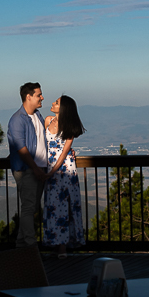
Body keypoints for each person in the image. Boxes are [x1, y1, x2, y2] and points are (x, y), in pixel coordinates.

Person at [43, 94, 86, 258]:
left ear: (63, 108)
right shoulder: (48, 121)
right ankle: (56, 244)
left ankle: (62, 248)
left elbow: (64, 153)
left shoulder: (68, 127)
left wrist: (51, 172)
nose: (53, 103)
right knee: (53, 206)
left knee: (63, 207)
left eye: (57, 102)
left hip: (65, 170)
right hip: (52, 169)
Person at [7, 82, 47, 248]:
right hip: (28, 170)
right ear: (28, 97)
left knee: (32, 207)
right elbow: (22, 149)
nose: (42, 97)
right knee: (29, 208)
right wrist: (36, 169)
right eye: (39, 95)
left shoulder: (37, 115)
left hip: (39, 168)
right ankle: (31, 248)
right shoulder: (17, 120)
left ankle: (22, 245)